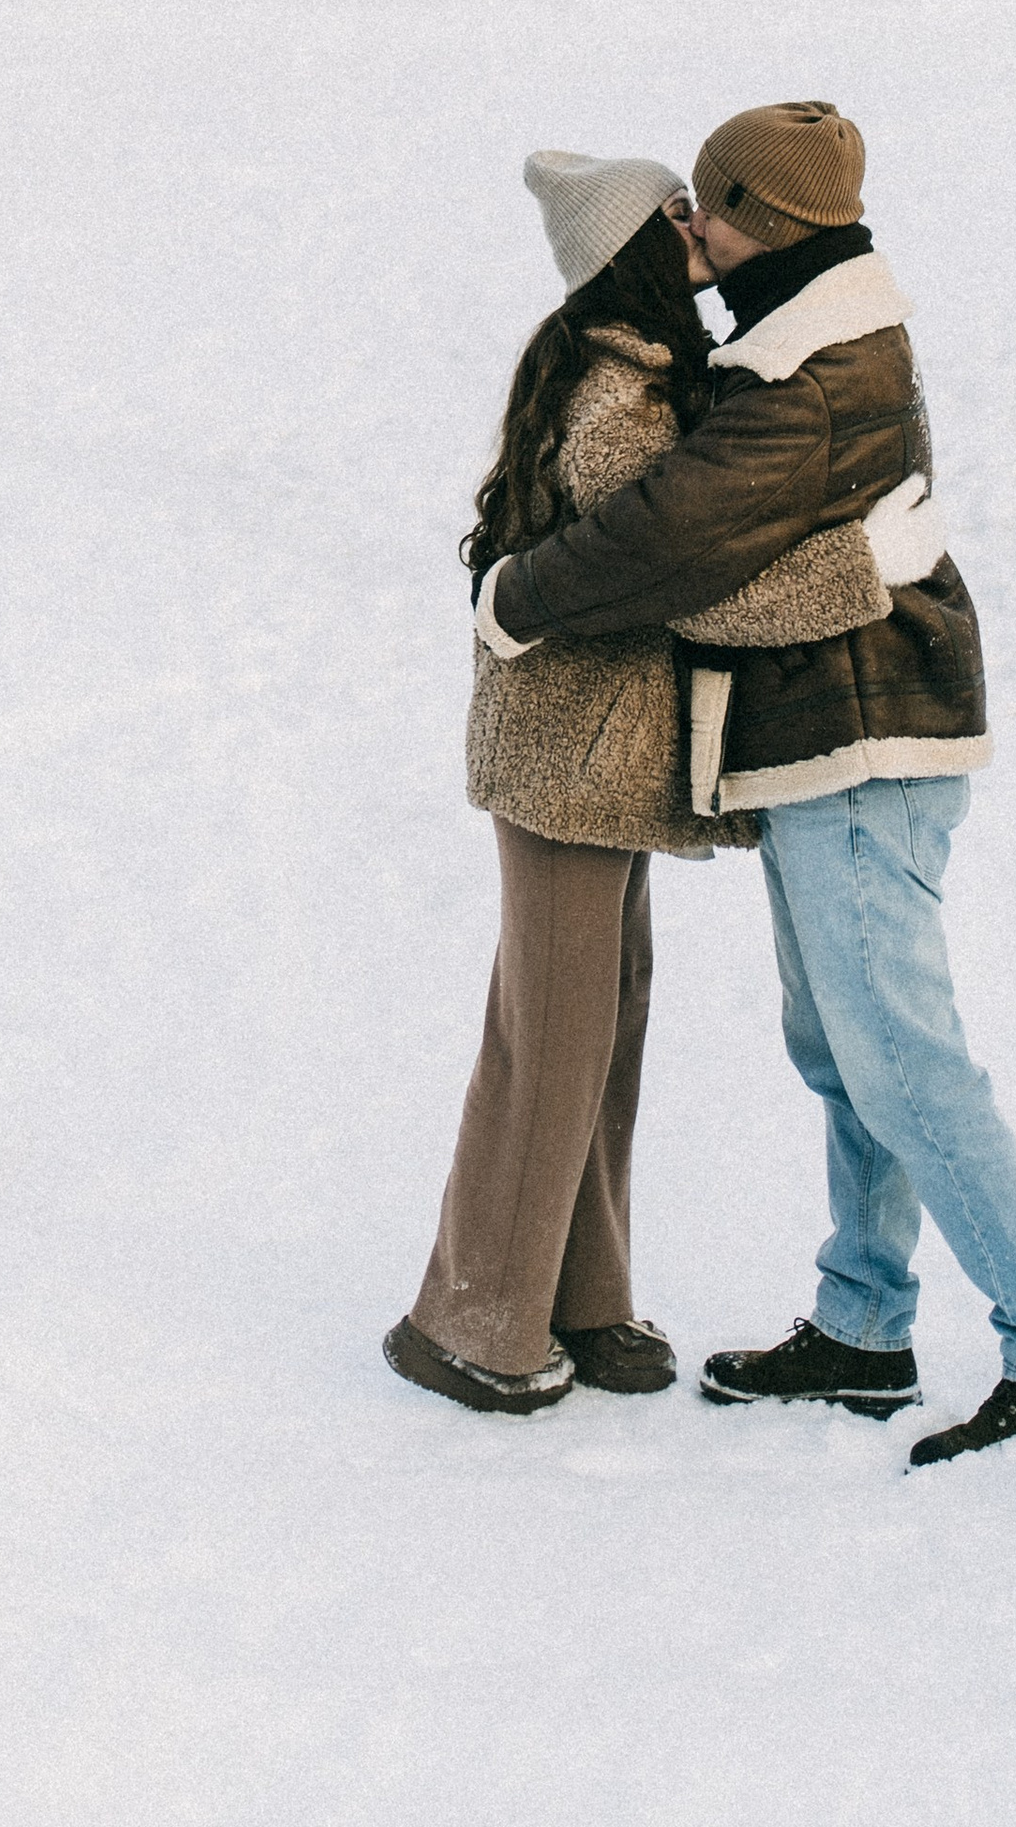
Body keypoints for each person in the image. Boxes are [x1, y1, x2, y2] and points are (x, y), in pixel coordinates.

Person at [470, 101, 1016, 1468]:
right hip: (833, 747)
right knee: (845, 1058)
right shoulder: (804, 342)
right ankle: (863, 1328)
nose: (692, 233)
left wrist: (519, 597)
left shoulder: (810, 377)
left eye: (709, 206)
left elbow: (670, 546)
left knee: (905, 1067)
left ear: (767, 217)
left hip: (869, 747)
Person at [385, 149, 890, 1417]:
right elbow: (690, 573)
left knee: (601, 1022)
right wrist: (863, 570)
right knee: (550, 1038)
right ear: (623, 250)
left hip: (593, 762)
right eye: (676, 215)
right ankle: (472, 1318)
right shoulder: (615, 394)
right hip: (564, 760)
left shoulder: (651, 374)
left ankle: (583, 1295)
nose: (699, 231)